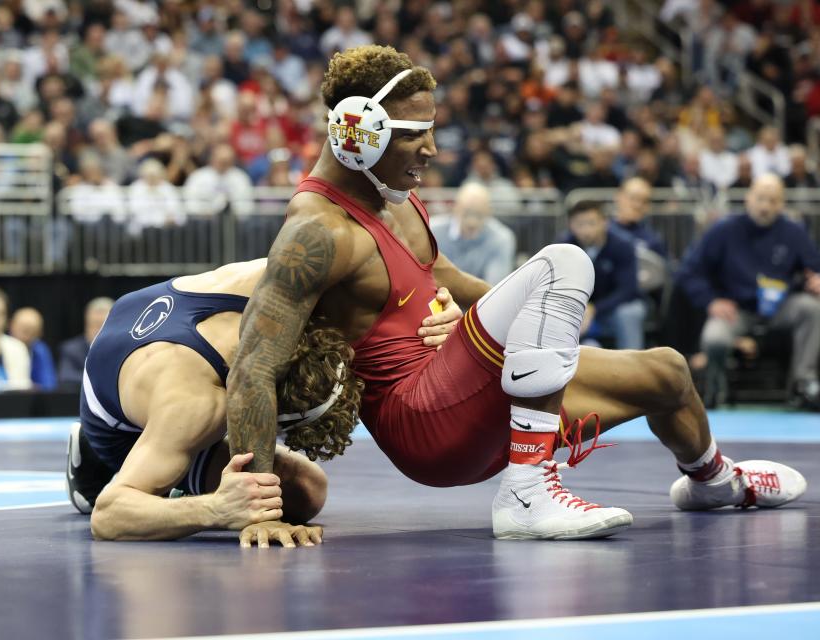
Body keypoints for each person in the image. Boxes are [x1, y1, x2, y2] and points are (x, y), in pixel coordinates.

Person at [224, 45, 805, 546]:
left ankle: (714, 482)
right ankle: (528, 492)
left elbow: (445, 279)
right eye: (414, 134)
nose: (431, 149)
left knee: (668, 373)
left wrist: (510, 321)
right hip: (424, 422)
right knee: (563, 263)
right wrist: (261, 509)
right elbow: (253, 367)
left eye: (432, 130)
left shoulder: (393, 196)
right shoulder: (316, 231)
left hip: (470, 391)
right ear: (358, 133)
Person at [67, 260, 461, 546]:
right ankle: (96, 459)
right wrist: (216, 510)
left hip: (148, 316)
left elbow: (407, 275)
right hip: (118, 424)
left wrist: (442, 311)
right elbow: (109, 515)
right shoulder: (198, 405)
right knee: (305, 491)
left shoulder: (283, 289)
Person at [677, 174, 820, 410]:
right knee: (714, 337)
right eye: (761, 198)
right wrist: (711, 301)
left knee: (812, 309)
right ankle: (716, 388)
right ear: (748, 199)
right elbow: (689, 272)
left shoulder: (794, 232)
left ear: (781, 204)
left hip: (780, 307)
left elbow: (814, 265)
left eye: (773, 200)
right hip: (735, 310)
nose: (765, 206)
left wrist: (816, 278)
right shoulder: (723, 230)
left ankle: (802, 385)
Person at [564, 201, 646, 350]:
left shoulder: (623, 245)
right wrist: (579, 308)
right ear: (570, 225)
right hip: (579, 310)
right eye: (579, 224)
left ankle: (631, 365)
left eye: (591, 223)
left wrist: (594, 309)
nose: (586, 230)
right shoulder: (563, 247)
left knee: (630, 312)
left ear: (604, 223)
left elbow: (628, 289)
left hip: (612, 308)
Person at [430, 182, 516, 285]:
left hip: (479, 300)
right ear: (456, 208)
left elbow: (494, 288)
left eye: (479, 214)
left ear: (489, 212)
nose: (472, 222)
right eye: (467, 213)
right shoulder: (432, 231)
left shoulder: (501, 239)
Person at [58, 297, 114, 389]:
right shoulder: (71, 349)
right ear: (86, 323)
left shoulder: (123, 350)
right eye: (94, 325)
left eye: (103, 325)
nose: (98, 331)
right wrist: (101, 380)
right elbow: (66, 377)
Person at [9, 307, 57, 391]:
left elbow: (49, 385)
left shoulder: (40, 350)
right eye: (23, 329)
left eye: (32, 330)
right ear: (11, 326)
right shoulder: (2, 347)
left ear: (40, 333)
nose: (26, 335)